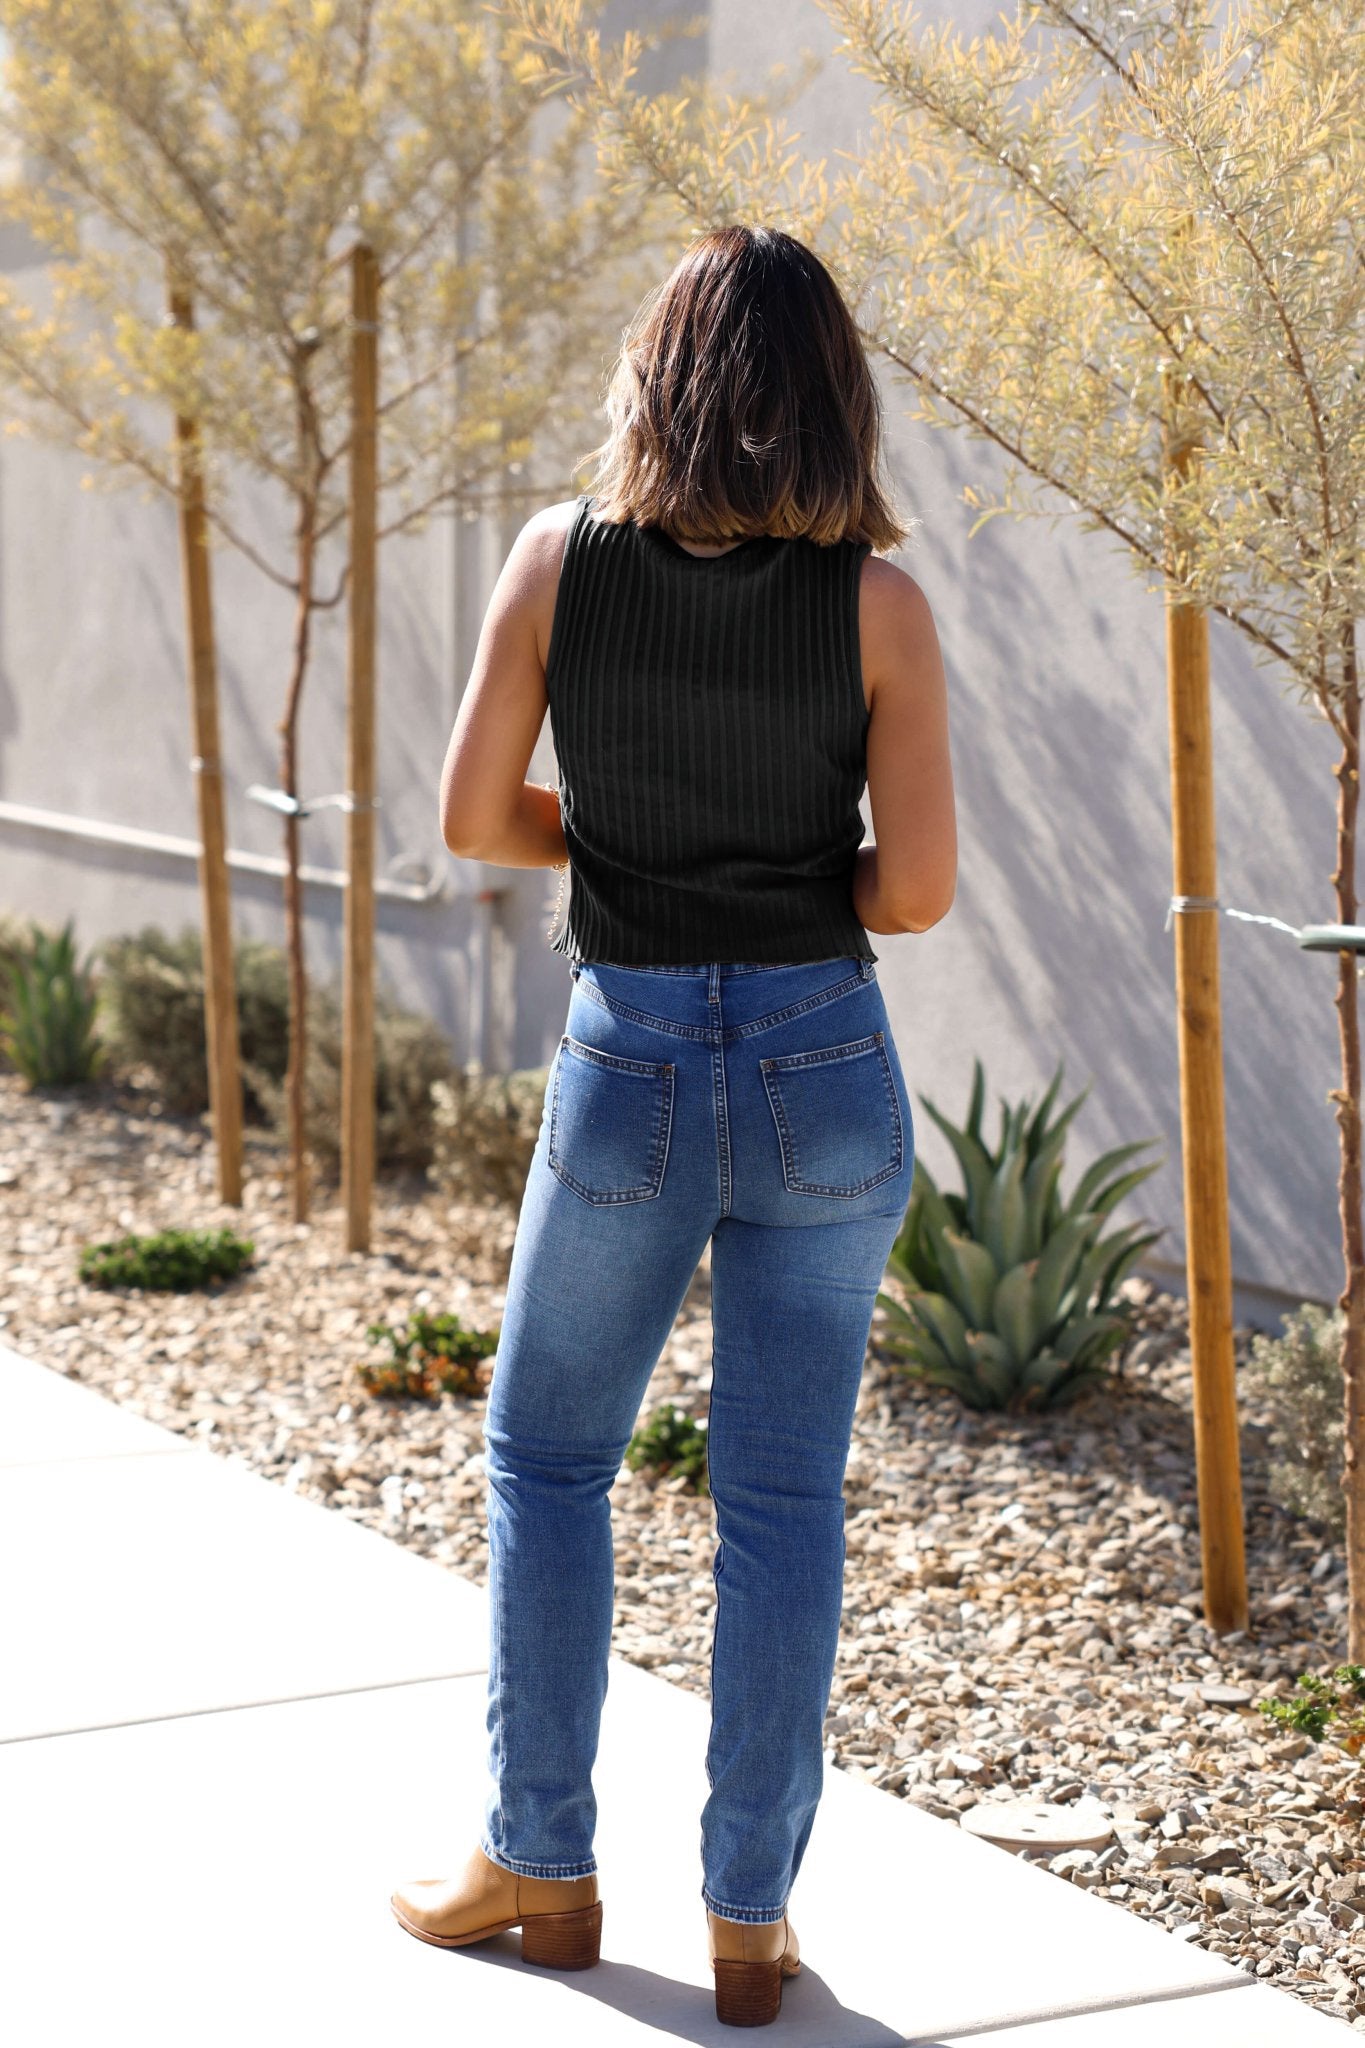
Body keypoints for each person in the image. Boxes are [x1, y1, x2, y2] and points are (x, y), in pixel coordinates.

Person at [390, 223, 956, 2027]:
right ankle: (749, 1925)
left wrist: (624, 854)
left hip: (629, 1053)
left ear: (660, 375)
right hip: (821, 1065)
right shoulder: (877, 604)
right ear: (826, 397)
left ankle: (539, 1870)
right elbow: (917, 894)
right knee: (781, 1503)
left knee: (550, 1462)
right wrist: (785, 876)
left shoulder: (558, 563)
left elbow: (477, 821)